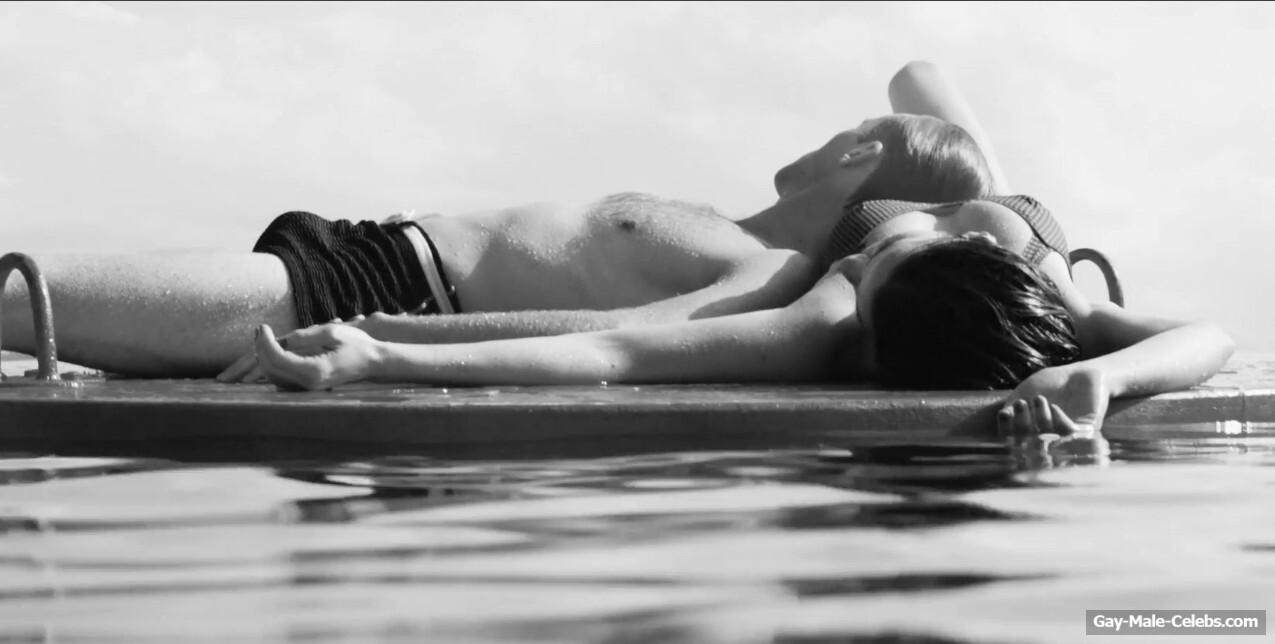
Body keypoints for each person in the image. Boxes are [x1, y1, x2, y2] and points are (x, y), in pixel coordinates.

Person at [2, 61, 998, 378]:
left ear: (861, 157)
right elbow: (920, 78)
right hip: (368, 253)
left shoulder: (768, 275)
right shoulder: (734, 229)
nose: (833, 133)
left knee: (21, 298)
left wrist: (385, 336)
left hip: (382, 293)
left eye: (852, 133)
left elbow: (615, 340)